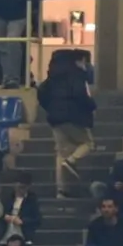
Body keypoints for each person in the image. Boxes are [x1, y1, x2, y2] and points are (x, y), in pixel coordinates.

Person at [39, 49, 95, 178]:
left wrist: (50, 108)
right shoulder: (76, 75)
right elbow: (81, 95)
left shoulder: (52, 78)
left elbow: (41, 93)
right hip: (73, 117)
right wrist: (92, 106)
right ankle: (72, 160)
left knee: (61, 153)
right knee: (88, 144)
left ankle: (62, 190)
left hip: (55, 118)